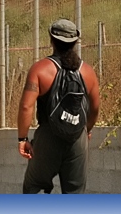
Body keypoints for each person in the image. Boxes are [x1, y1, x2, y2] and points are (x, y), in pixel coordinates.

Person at [17, 19, 101, 194]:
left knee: (33, 187)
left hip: (48, 137)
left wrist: (23, 139)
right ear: (75, 42)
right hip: (78, 139)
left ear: (51, 40)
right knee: (75, 193)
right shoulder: (88, 72)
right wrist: (87, 130)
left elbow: (26, 107)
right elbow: (95, 108)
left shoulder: (40, 70)